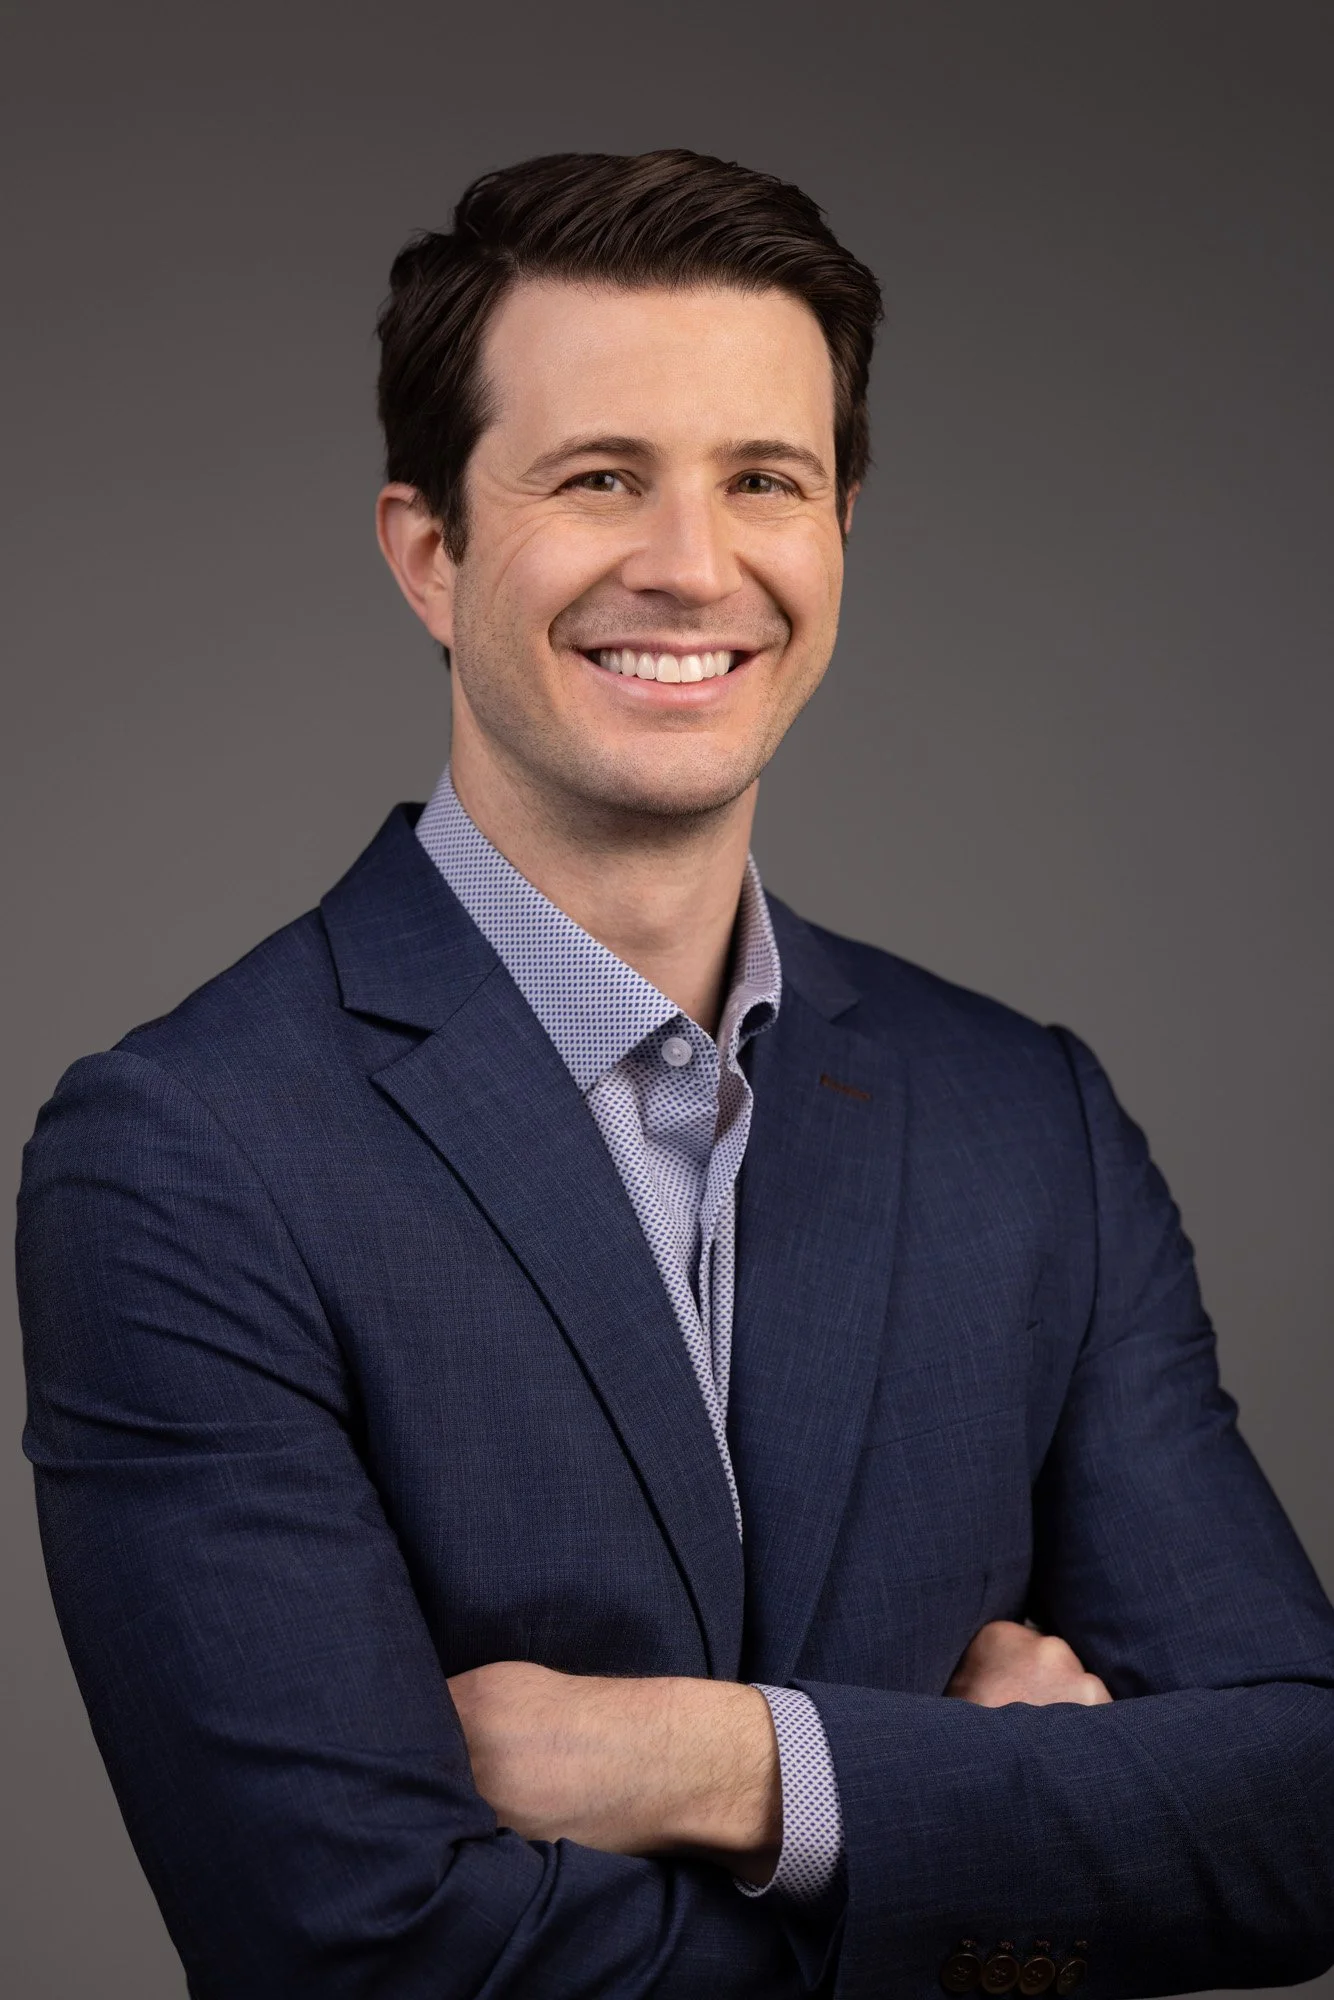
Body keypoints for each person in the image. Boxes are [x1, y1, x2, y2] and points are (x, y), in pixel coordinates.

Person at [17, 150, 1334, 2000]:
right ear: (429, 551)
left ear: (841, 530)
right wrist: (1017, 1829)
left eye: (764, 482)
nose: (692, 566)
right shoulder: (184, 1156)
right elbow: (362, 1956)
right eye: (598, 477)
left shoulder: (1024, 1116)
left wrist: (717, 1768)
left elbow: (1300, 1818)